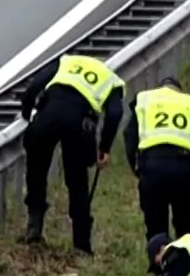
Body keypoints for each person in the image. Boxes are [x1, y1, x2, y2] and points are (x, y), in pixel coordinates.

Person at [16, 52, 126, 253]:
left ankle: (34, 228)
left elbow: (34, 86)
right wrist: (104, 148)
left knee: (36, 171)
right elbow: (116, 112)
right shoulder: (111, 79)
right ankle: (81, 245)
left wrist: (26, 112)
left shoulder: (65, 62)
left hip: (49, 114)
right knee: (77, 183)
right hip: (80, 125)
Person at [125, 76, 190, 244]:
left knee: (156, 231)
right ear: (179, 91)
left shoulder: (145, 101)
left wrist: (137, 169)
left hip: (152, 170)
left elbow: (129, 137)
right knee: (187, 232)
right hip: (185, 171)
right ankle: (185, 267)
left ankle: (161, 267)